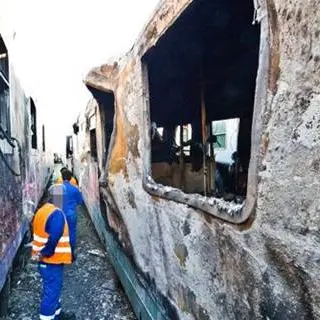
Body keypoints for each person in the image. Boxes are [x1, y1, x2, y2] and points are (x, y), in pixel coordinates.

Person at [32, 184, 76, 320]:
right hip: (51, 261)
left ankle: (57, 315)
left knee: (53, 290)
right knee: (51, 293)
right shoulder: (56, 213)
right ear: (59, 198)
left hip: (46, 261)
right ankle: (47, 318)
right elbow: (54, 236)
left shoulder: (43, 210)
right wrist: (45, 253)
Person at [61, 169, 84, 255]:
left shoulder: (58, 188)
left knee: (60, 231)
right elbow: (80, 202)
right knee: (72, 231)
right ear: (71, 178)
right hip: (71, 214)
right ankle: (71, 250)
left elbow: (56, 205)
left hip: (61, 215)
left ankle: (61, 249)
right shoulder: (75, 189)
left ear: (62, 178)